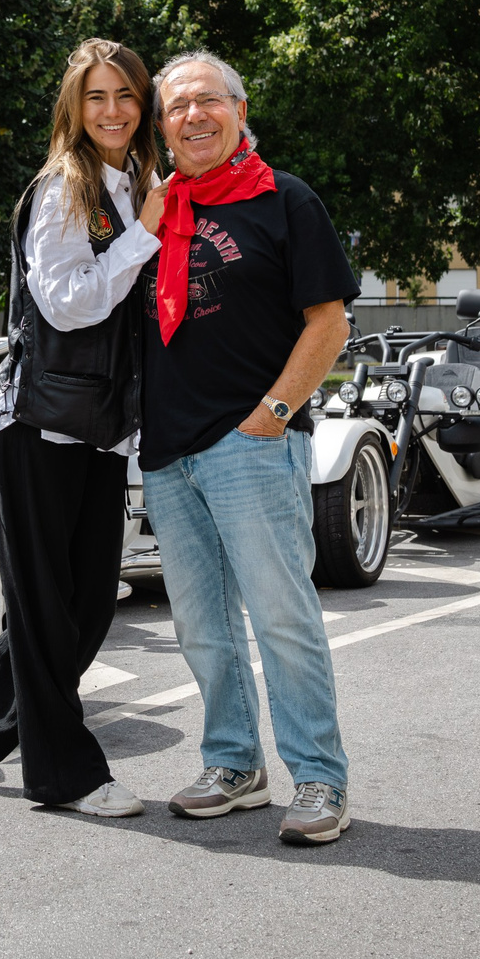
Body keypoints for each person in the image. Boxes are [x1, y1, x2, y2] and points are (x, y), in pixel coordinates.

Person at [0, 38, 161, 817]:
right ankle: (68, 776)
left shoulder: (136, 186)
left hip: (99, 424)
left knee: (87, 607)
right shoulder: (64, 189)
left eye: (126, 95)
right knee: (44, 608)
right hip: (33, 422)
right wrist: (145, 235)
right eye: (97, 97)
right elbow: (70, 303)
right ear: (74, 108)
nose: (113, 110)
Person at [136, 51, 356, 845]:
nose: (193, 116)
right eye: (176, 108)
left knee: (280, 616)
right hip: (168, 451)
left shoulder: (285, 200)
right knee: (202, 626)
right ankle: (233, 762)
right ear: (161, 128)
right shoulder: (155, 211)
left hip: (250, 445)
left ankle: (320, 779)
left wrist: (270, 415)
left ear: (238, 107)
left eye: (207, 101)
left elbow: (328, 324)